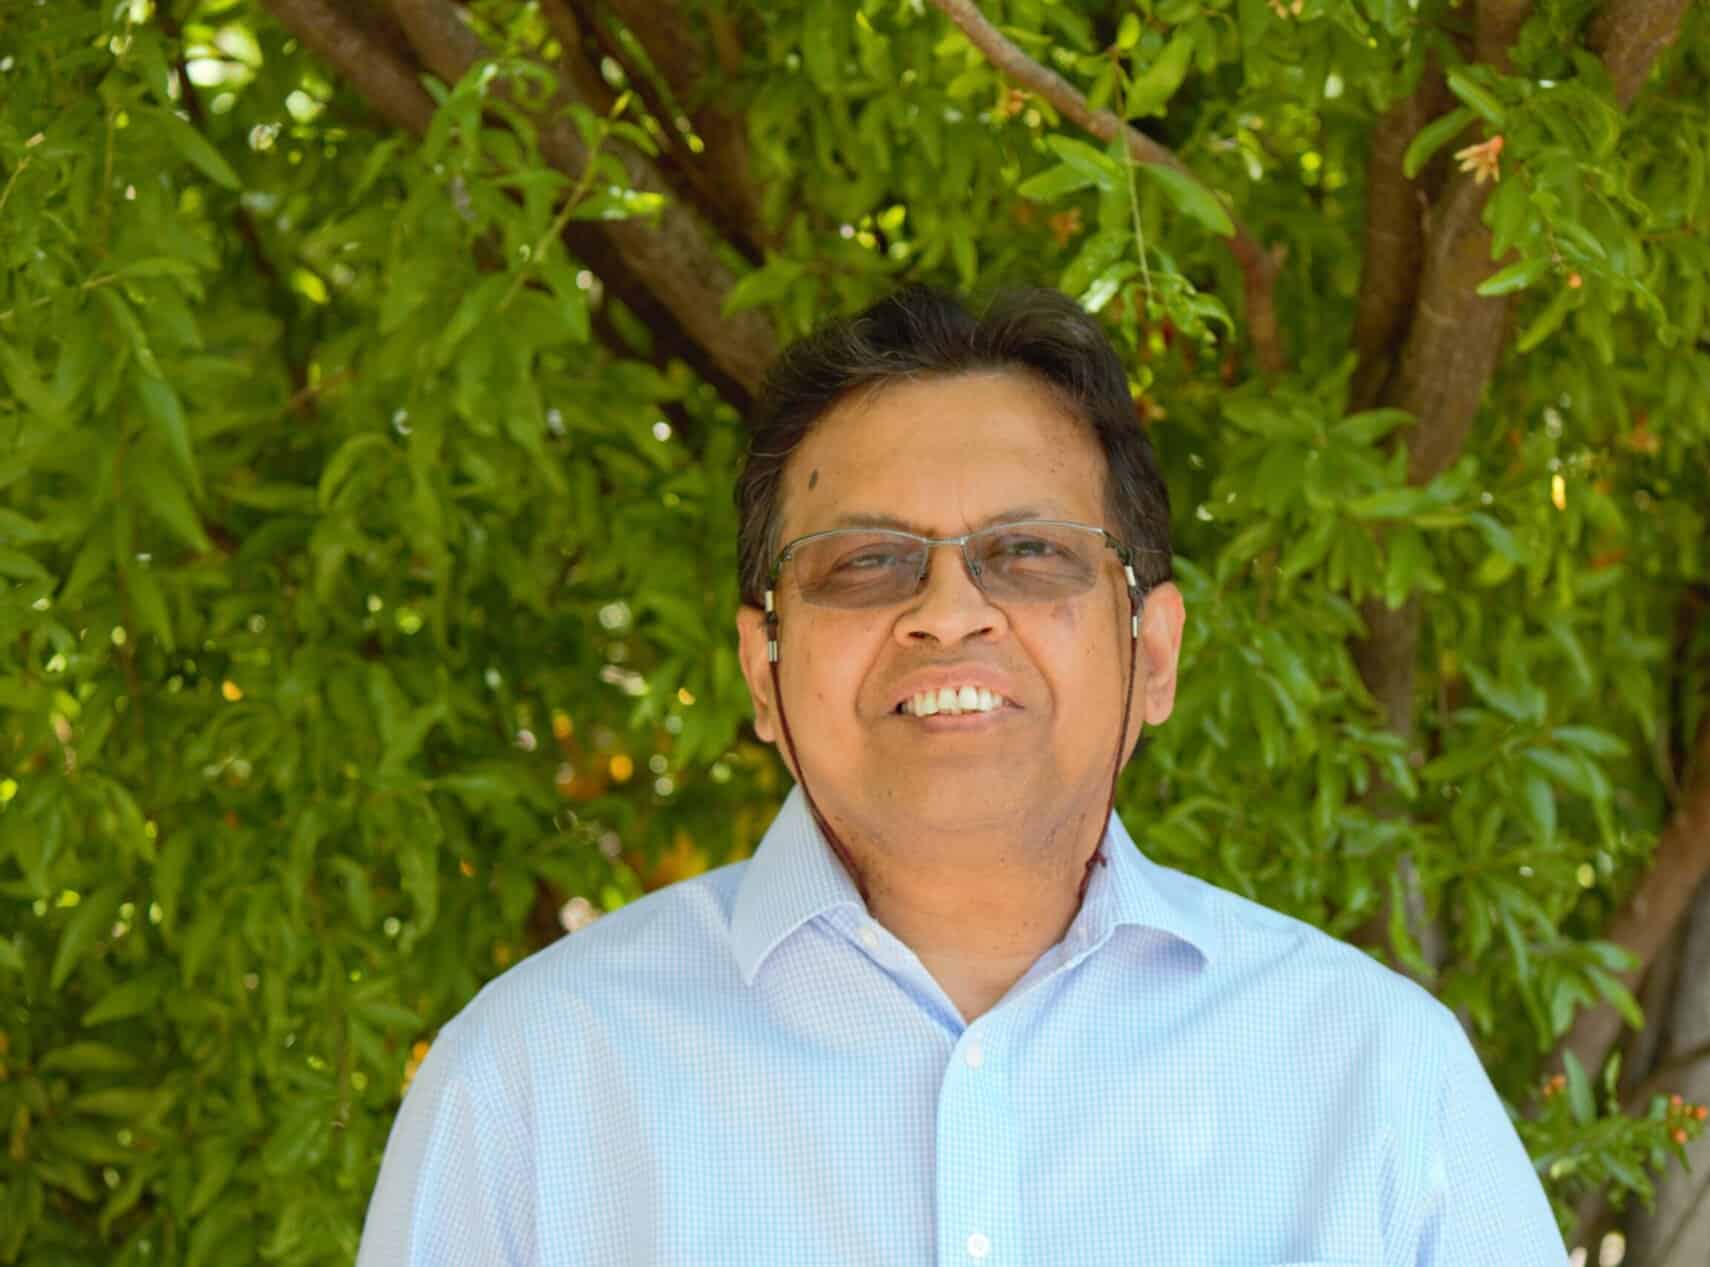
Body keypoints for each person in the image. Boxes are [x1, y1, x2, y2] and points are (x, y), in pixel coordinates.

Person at [356, 286, 1570, 1265]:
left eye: (1027, 553)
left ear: (1151, 656)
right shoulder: (532, 1087)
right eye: (864, 562)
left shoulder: (1377, 1077)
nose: (948, 612)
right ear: (762, 670)